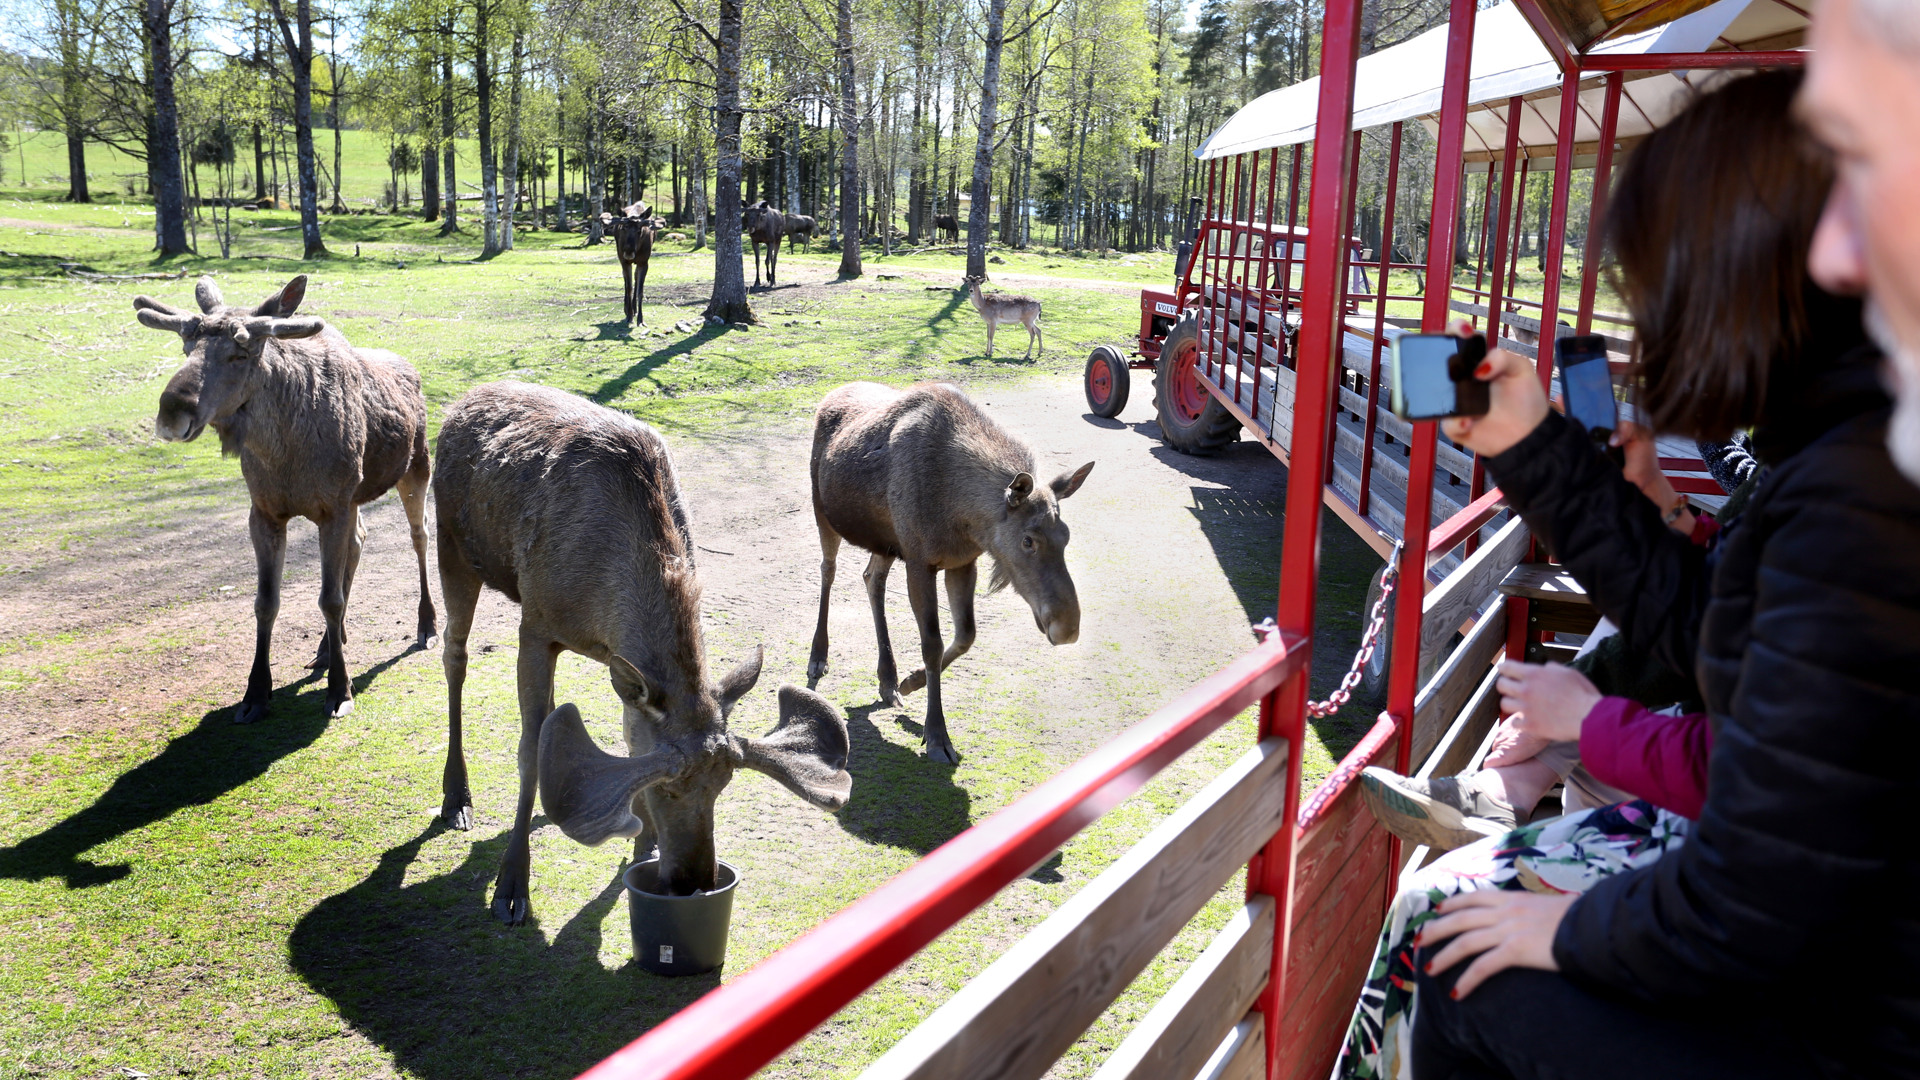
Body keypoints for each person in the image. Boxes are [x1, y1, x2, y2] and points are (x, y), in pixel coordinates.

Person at [1336, 65, 1919, 1079]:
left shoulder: (1857, 496)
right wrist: (1535, 451)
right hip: (1841, 976)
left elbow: (1758, 895)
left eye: (1659, 290)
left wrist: (1567, 931)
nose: (1653, 333)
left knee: (1453, 959)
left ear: (1742, 273)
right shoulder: (1843, 458)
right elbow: (1711, 637)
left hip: (1846, 1022)